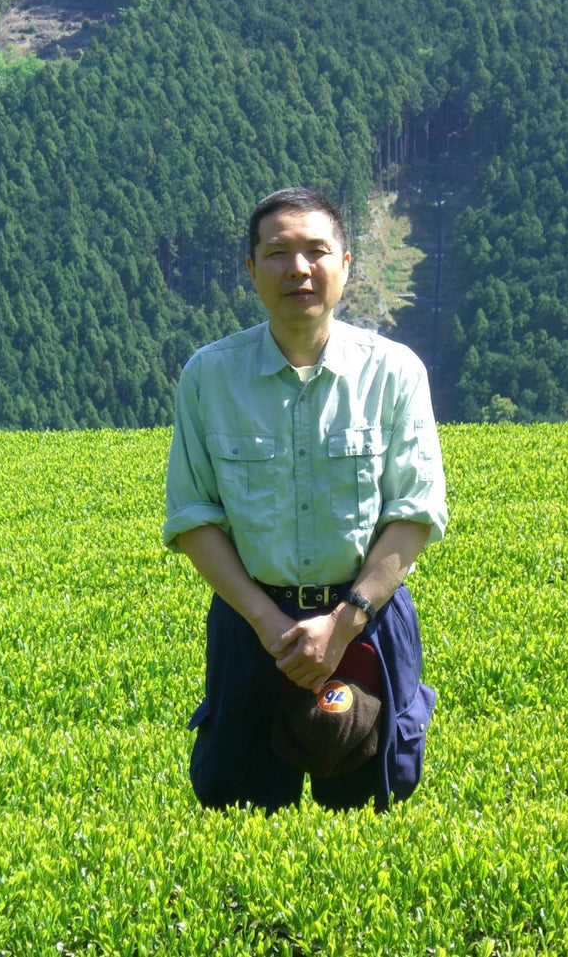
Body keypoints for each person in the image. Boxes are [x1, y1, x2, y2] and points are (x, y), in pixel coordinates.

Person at [163, 186, 448, 811]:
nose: (299, 268)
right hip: (251, 626)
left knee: (372, 815)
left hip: (366, 625)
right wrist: (270, 626)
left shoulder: (395, 373)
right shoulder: (209, 376)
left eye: (317, 251)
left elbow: (413, 515)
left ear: (346, 264)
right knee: (238, 812)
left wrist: (342, 625)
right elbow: (193, 518)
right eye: (278, 253)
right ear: (251, 270)